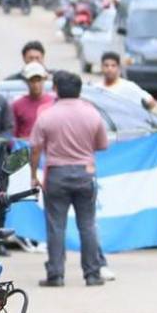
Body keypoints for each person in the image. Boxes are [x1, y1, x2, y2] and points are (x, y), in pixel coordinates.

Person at [30, 71, 108, 287]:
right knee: (88, 224)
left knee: (56, 226)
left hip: (56, 174)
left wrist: (33, 175)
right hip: (85, 173)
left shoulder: (47, 115)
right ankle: (92, 273)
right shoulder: (92, 113)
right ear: (80, 90)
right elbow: (102, 144)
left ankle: (55, 275)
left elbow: (35, 148)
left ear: (55, 88)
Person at [11, 62, 55, 139]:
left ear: (44, 79)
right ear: (26, 81)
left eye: (39, 80)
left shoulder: (54, 103)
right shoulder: (17, 105)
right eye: (32, 81)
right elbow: (14, 134)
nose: (36, 85)